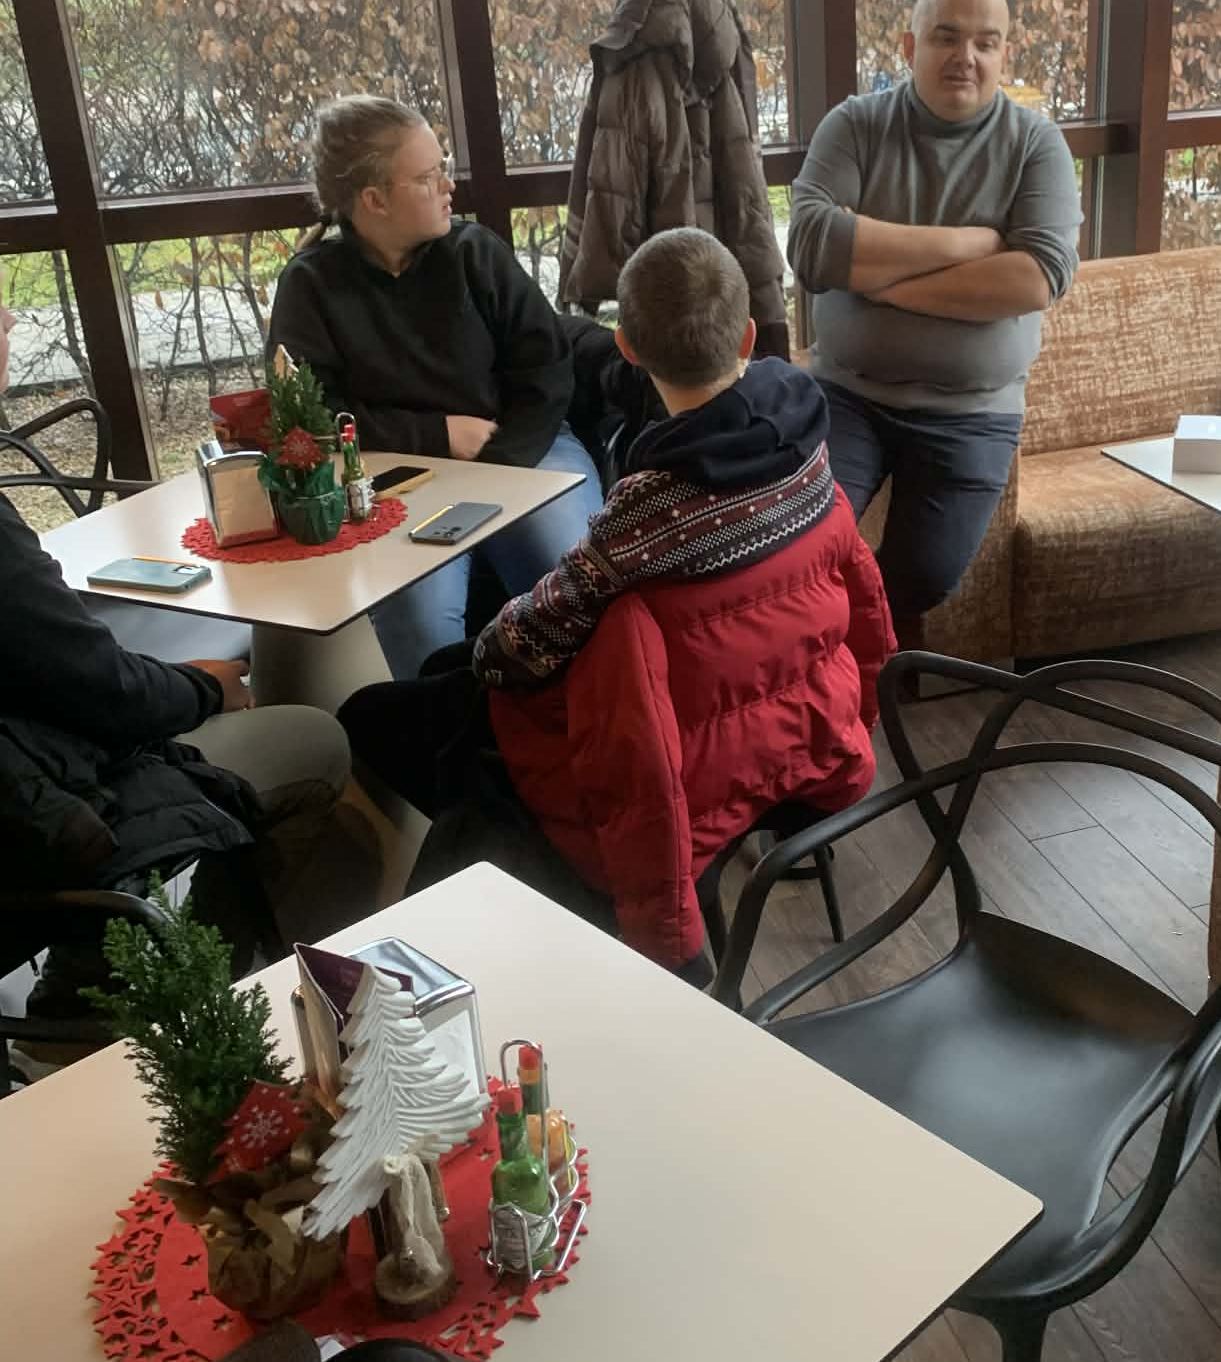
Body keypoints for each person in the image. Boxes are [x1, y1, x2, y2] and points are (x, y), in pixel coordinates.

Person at [340, 227, 894, 981]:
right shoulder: (807, 441)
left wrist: (484, 647)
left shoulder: (648, 512)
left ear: (626, 349)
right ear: (748, 335)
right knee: (448, 683)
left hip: (671, 773)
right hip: (798, 727)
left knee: (378, 714)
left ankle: (435, 956)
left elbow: (520, 646)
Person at [0, 304, 377, 1021]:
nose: (10, 315)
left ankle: (104, 972)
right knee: (318, 737)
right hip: (43, 825)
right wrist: (203, 688)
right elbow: (107, 692)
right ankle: (216, 1002)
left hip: (33, 787)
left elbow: (59, 665)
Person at [787, 0, 1081, 641]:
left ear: (1004, 53)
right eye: (946, 37)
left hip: (972, 412)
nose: (965, 57)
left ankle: (854, 660)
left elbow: (1037, 277)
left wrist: (880, 282)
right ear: (909, 45)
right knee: (804, 541)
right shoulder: (856, 125)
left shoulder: (1036, 145)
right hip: (848, 394)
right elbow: (811, 246)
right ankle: (834, 671)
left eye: (985, 42)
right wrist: (968, 242)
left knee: (926, 575)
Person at [266, 96, 603, 678]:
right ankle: (457, 730)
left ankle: (576, 718)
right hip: (398, 479)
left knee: (576, 585)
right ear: (374, 201)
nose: (449, 185)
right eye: (427, 177)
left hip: (526, 448)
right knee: (419, 628)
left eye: (442, 167)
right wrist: (436, 435)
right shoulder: (310, 285)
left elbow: (547, 369)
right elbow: (310, 420)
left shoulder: (475, 252)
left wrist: (495, 468)